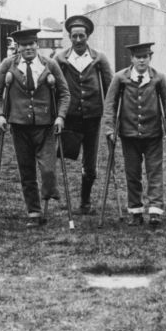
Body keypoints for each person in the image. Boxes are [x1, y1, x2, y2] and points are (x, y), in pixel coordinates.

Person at [0, 28, 69, 227]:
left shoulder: (49, 65)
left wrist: (60, 116)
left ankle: (49, 193)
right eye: (24, 45)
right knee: (26, 171)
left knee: (48, 170)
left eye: (31, 44)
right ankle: (34, 212)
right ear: (18, 47)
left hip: (45, 125)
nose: (28, 48)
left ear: (37, 45)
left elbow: (64, 93)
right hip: (19, 125)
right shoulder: (8, 65)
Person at [103, 42, 166, 227]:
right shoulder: (121, 77)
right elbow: (110, 104)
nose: (142, 60)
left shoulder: (159, 78)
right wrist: (109, 128)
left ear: (150, 58)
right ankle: (135, 211)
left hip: (153, 134)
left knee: (154, 172)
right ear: (132, 59)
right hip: (129, 134)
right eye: (138, 57)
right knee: (132, 173)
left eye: (145, 56)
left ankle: (155, 211)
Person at [54, 15, 113, 214]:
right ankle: (54, 194)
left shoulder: (99, 58)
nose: (78, 40)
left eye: (82, 36)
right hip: (69, 117)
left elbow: (110, 88)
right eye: (74, 36)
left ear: (87, 36)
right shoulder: (60, 58)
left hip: (92, 117)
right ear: (69, 37)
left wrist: (111, 116)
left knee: (90, 163)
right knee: (63, 154)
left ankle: (85, 202)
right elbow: (52, 86)